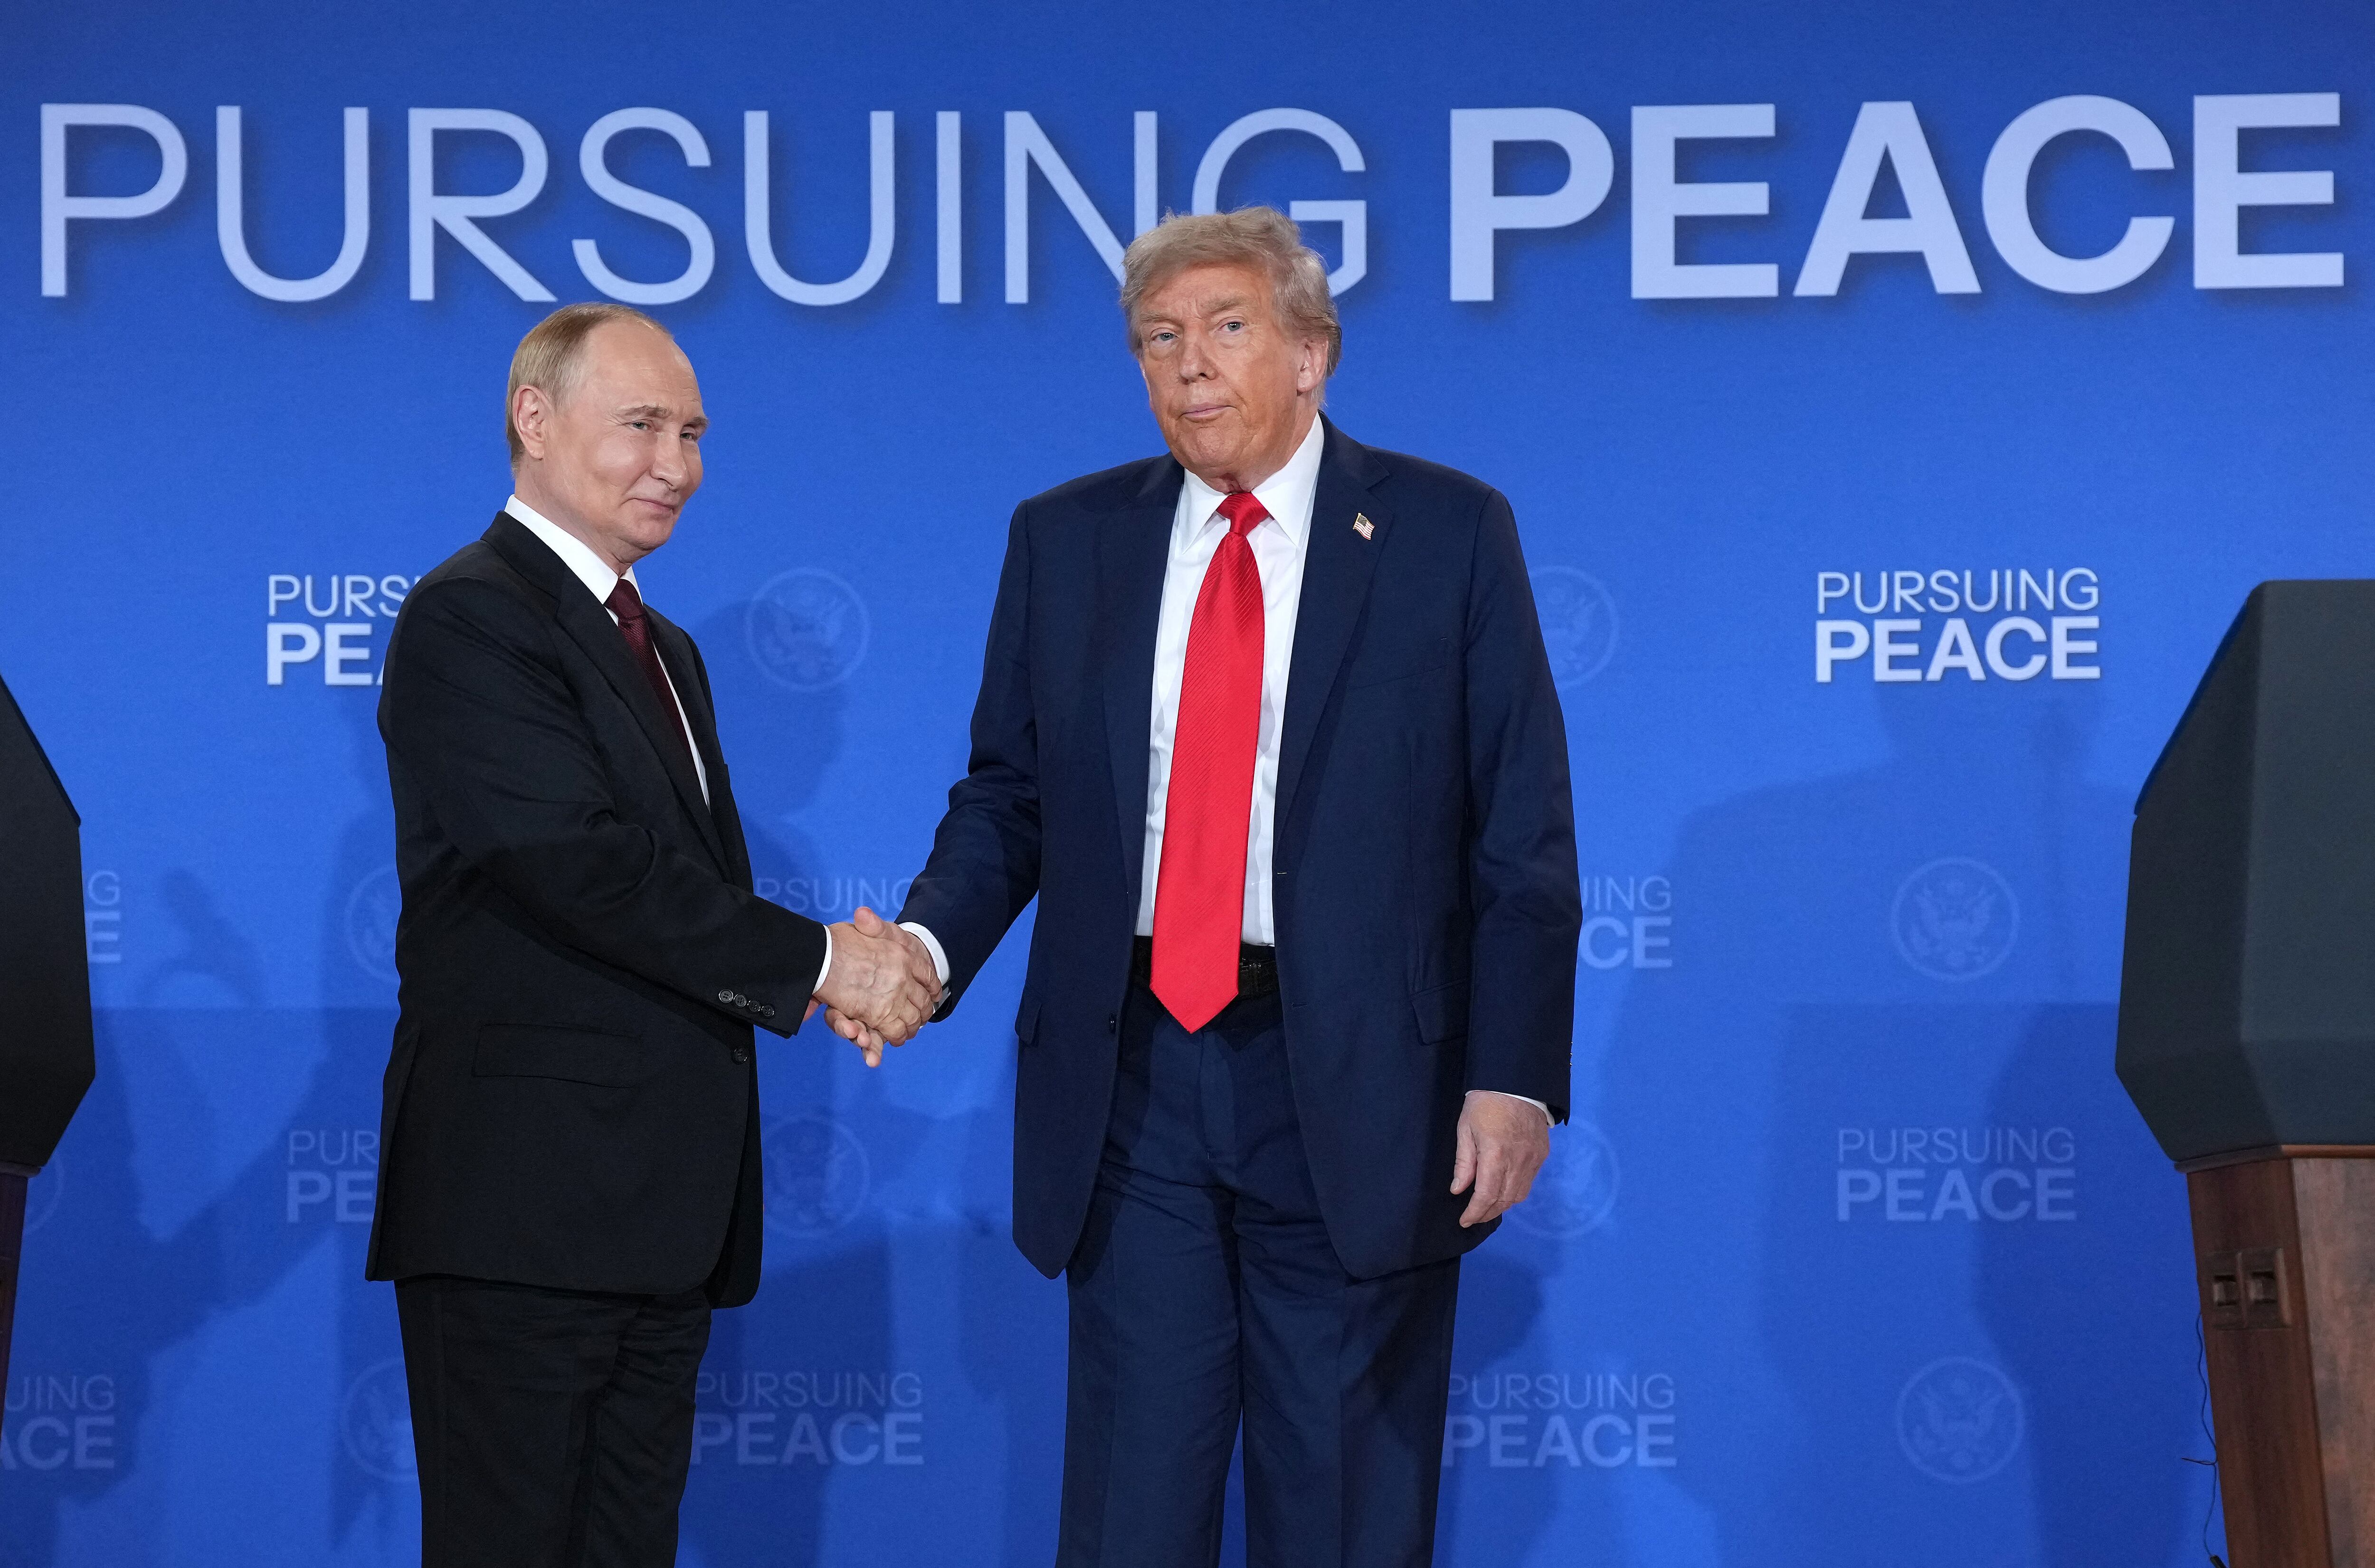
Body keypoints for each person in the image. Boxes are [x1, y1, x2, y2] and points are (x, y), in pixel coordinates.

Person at [868, 207, 1581, 1566]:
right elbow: (1009, 798)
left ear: (1313, 354)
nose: (1189, 364)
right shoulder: (1068, 539)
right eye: (1159, 338)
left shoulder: (1445, 532)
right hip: (1136, 1076)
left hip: (1365, 1085)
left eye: (1227, 328)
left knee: (1344, 1516)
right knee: (1135, 1511)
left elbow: (1523, 834)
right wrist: (924, 946)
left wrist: (1516, 1074)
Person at [366, 302, 937, 1568]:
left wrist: (836, 968)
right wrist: (834, 966)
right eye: (641, 425)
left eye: (692, 432)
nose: (675, 463)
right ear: (534, 418)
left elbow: (668, 891)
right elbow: (575, 866)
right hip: (522, 1207)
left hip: (658, 1209)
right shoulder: (470, 617)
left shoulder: (663, 646)